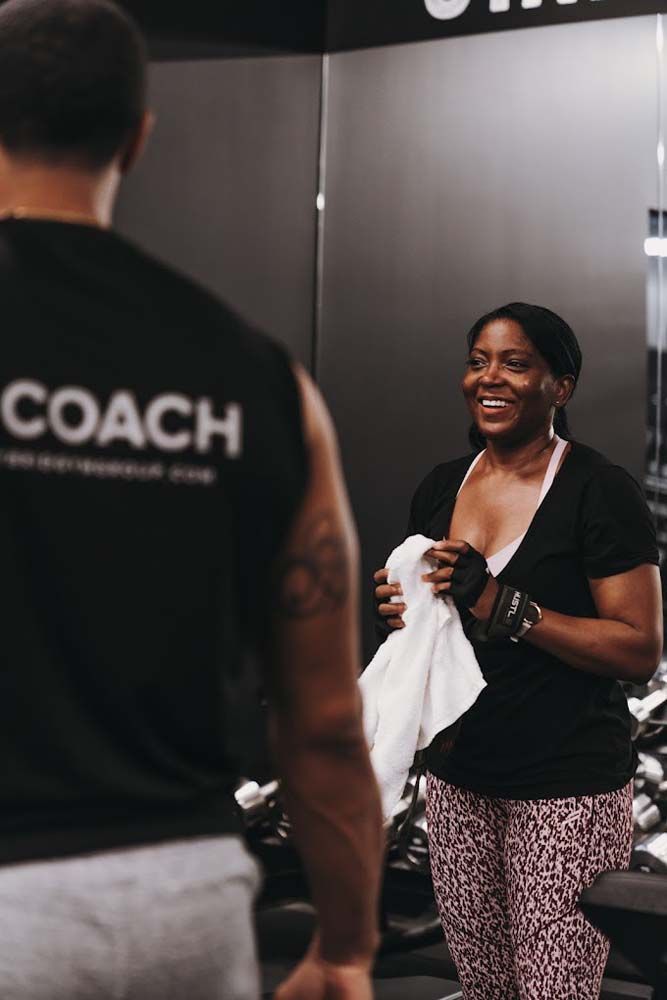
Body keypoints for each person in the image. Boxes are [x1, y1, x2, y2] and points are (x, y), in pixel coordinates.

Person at [0, 2, 383, 998]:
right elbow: (324, 719)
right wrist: (346, 947)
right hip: (184, 902)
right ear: (136, 137)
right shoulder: (258, 377)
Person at [374, 302, 663, 1000]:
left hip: (565, 792)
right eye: (478, 361)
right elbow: (436, 636)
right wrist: (399, 611)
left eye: (514, 362)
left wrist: (503, 604)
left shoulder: (599, 491)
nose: (489, 377)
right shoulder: (442, 485)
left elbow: (638, 649)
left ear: (560, 387)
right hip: (459, 781)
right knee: (485, 991)